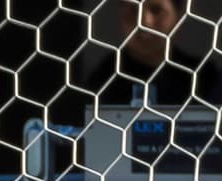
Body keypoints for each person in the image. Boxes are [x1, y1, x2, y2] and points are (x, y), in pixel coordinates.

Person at [82, 0, 217, 108]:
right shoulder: (102, 81)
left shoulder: (205, 78)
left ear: (180, 16)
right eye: (134, 10)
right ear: (120, 14)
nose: (144, 22)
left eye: (156, 10)